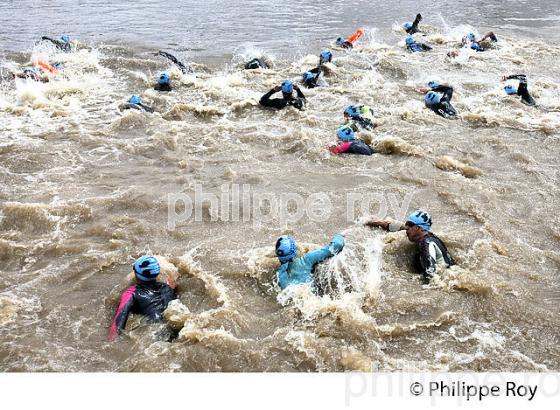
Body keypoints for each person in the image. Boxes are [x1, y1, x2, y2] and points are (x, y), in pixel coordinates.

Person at [365, 210, 455, 282]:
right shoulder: (425, 234)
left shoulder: (426, 243)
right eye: (406, 224)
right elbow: (399, 227)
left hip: (446, 278)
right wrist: (381, 223)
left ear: (419, 228)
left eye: (410, 225)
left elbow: (431, 270)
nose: (407, 227)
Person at [108, 256, 177, 341]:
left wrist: (111, 341)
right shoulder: (167, 287)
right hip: (174, 330)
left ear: (136, 274)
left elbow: (118, 323)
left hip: (155, 335)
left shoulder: (131, 292)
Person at [275, 233, 345, 291]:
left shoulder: (280, 274)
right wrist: (340, 235)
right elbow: (337, 245)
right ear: (295, 250)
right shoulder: (306, 260)